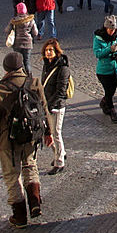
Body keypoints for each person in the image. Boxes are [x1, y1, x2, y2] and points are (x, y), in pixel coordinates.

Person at [0, 53, 54, 228]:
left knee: (12, 175)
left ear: (6, 68)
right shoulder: (34, 83)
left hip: (9, 139)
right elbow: (44, 109)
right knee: (30, 165)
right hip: (31, 135)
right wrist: (48, 132)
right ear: (21, 66)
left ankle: (19, 215)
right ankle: (35, 202)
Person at [41, 38, 70, 174]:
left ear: (56, 51)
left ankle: (59, 162)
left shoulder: (62, 68)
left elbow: (61, 91)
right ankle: (60, 153)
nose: (48, 52)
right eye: (46, 50)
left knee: (56, 133)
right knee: (49, 132)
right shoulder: (47, 65)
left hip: (57, 106)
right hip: (47, 105)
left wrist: (50, 105)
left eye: (51, 50)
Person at [93, 15, 117, 124]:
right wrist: (109, 49)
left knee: (112, 90)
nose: (112, 32)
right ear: (105, 28)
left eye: (114, 30)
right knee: (108, 90)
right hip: (104, 71)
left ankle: (104, 102)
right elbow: (98, 54)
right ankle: (112, 111)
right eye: (110, 30)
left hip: (115, 69)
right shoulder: (98, 39)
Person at [6, 2, 39, 73]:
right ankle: (29, 77)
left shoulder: (14, 21)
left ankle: (20, 77)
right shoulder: (31, 20)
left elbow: (7, 30)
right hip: (28, 44)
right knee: (27, 62)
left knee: (18, 63)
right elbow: (35, 33)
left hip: (17, 44)